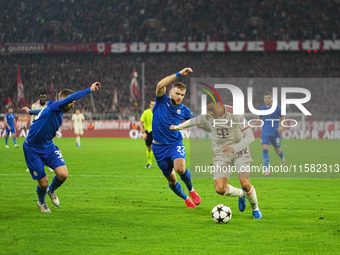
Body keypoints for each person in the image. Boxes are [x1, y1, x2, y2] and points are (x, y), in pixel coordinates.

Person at [170, 103, 262, 219]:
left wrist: (234, 148)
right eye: (207, 110)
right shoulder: (208, 115)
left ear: (219, 105)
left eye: (211, 109)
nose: (209, 113)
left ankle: (255, 208)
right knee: (220, 189)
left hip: (240, 151)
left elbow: (250, 137)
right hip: (222, 154)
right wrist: (176, 127)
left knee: (245, 184)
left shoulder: (235, 114)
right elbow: (194, 121)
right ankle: (240, 194)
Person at [21, 82, 101, 213]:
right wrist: (89, 90)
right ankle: (41, 202)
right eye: (71, 103)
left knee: (63, 174)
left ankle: (51, 190)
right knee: (43, 182)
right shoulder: (55, 105)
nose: (72, 105)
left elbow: (42, 111)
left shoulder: (55, 110)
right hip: (32, 149)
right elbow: (70, 98)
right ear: (64, 100)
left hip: (48, 147)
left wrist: (30, 111)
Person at [152, 67, 201, 209]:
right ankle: (185, 198)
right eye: (177, 93)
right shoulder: (161, 101)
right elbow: (160, 85)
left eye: (182, 95)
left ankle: (191, 190)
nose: (179, 97)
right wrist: (179, 74)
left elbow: (196, 121)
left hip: (174, 144)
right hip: (158, 148)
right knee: (172, 180)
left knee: (180, 168)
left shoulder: (184, 110)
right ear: (171, 92)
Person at [258, 92, 286, 177]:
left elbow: (283, 117)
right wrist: (253, 127)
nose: (267, 99)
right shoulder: (262, 109)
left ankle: (283, 159)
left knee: (277, 151)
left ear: (272, 99)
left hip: (275, 132)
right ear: (264, 99)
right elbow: (259, 118)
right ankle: (267, 169)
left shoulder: (277, 108)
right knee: (265, 149)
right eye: (265, 98)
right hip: (265, 132)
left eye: (268, 98)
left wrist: (281, 126)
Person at [25, 92, 54, 172]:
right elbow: (32, 117)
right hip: (36, 129)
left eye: (44, 97)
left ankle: (50, 166)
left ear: (46, 98)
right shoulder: (34, 106)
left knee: (48, 147)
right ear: (39, 98)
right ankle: (31, 166)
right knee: (32, 147)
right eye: (41, 97)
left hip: (46, 129)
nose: (43, 98)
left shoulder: (49, 106)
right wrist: (31, 126)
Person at [139, 100, 155, 168]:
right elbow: (140, 123)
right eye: (152, 104)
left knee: (161, 148)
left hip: (157, 132)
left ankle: (165, 163)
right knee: (149, 148)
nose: (153, 106)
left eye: (154, 104)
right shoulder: (146, 112)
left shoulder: (159, 112)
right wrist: (143, 132)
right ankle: (149, 163)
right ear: (150, 105)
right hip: (148, 132)